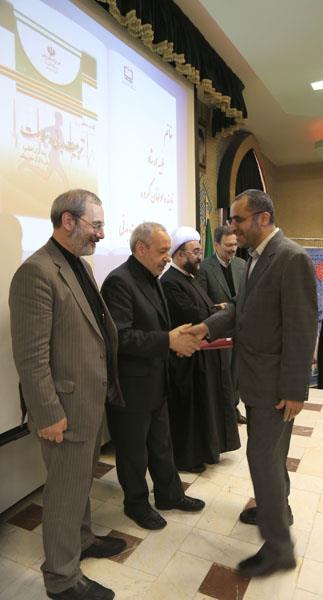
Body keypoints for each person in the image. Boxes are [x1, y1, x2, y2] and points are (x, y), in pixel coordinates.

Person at [188, 189, 317, 578]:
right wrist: (204, 328)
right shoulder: (256, 259)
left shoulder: (290, 258)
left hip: (275, 387)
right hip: (258, 380)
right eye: (232, 221)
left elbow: (302, 328)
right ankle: (279, 508)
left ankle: (278, 549)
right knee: (272, 457)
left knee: (262, 459)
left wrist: (295, 390)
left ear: (263, 218)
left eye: (239, 220)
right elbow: (239, 311)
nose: (233, 228)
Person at [9, 189, 126, 600]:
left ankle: (83, 540)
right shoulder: (36, 272)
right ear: (68, 221)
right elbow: (31, 357)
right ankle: (61, 579)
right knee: (63, 493)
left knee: (79, 484)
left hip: (88, 402)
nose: (101, 234)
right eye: (96, 225)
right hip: (63, 409)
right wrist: (48, 413)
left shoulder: (79, 266)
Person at [101, 222, 205, 532]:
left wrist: (178, 339)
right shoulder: (119, 281)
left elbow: (157, 327)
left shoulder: (153, 277)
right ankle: (136, 504)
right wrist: (168, 341)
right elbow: (120, 338)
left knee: (161, 444)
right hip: (130, 387)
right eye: (162, 251)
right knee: (133, 452)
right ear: (140, 248)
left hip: (156, 381)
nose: (167, 258)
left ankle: (169, 495)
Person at [160, 226, 240, 473]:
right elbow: (192, 316)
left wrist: (216, 311)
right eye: (195, 252)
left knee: (204, 409)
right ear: (179, 255)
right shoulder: (170, 282)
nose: (199, 257)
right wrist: (218, 311)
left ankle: (205, 451)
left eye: (199, 251)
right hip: (187, 360)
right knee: (190, 412)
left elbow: (205, 310)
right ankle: (187, 458)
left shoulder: (188, 278)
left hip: (202, 357)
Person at [197, 225, 247, 424]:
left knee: (236, 373)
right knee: (221, 375)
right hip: (218, 331)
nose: (233, 249)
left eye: (235, 244)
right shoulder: (204, 268)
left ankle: (233, 409)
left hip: (240, 330)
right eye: (228, 245)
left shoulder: (242, 265)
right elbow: (201, 300)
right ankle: (220, 414)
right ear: (216, 245)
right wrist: (220, 308)